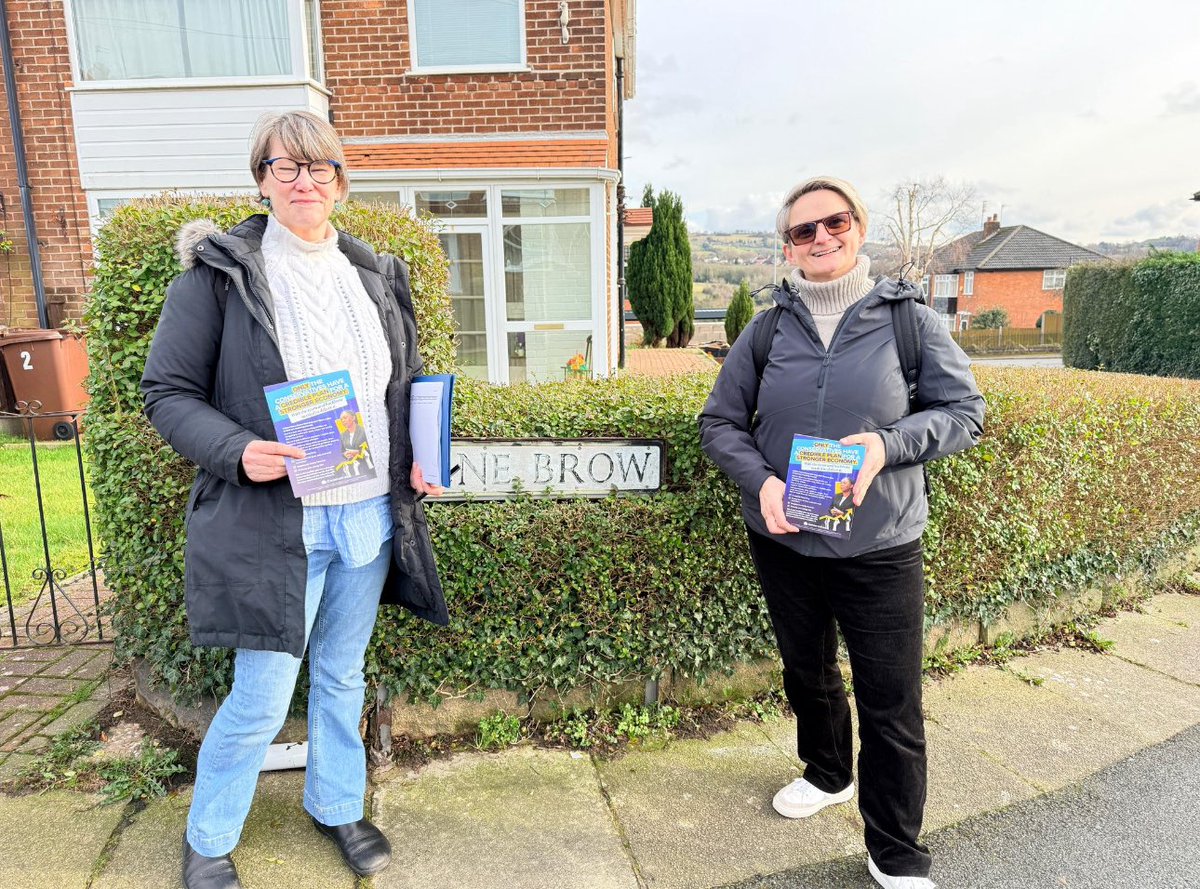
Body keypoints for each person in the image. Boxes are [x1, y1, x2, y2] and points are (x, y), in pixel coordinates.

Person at [141, 110, 448, 889]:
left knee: (343, 675)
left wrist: (418, 458)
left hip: (369, 517)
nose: (305, 180)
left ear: (341, 182)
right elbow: (167, 393)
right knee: (264, 691)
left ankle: (337, 802)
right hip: (282, 521)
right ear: (263, 179)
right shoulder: (218, 275)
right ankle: (207, 836)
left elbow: (400, 388)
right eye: (287, 166)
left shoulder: (373, 273)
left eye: (320, 168)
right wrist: (239, 450)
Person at [698, 176, 985, 889]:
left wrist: (886, 446)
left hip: (881, 545)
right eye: (804, 230)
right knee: (808, 672)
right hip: (785, 540)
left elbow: (965, 412)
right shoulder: (768, 328)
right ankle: (828, 773)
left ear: (858, 227)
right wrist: (762, 483)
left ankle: (896, 850)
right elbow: (719, 423)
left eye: (835, 222)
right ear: (788, 246)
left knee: (892, 699)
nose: (821, 238)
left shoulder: (907, 320)